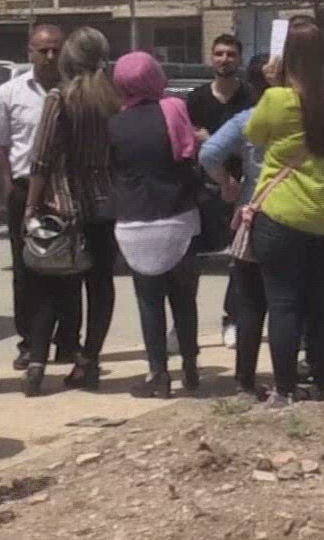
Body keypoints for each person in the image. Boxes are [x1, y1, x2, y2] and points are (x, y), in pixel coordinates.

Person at [244, 18, 324, 405]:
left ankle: (284, 389)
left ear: (286, 58)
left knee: (284, 303)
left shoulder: (277, 100)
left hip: (281, 216)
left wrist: (271, 85)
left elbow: (253, 135)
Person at [25, 26, 120, 391]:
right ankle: (89, 361)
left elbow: (41, 158)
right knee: (100, 285)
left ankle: (36, 362)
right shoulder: (112, 98)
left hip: (63, 203)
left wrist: (30, 206)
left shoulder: (59, 98)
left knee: (50, 283)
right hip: (105, 201)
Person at [108, 52, 202, 399]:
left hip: (135, 222)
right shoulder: (174, 109)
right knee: (184, 299)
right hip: (178, 216)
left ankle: (158, 374)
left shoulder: (114, 125)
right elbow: (190, 155)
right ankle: (190, 368)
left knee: (149, 302)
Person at [0, 23, 79, 370]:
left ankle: (68, 342)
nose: (50, 56)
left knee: (69, 267)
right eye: (43, 50)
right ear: (30, 52)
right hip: (24, 189)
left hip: (66, 192)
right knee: (26, 269)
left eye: (56, 49)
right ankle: (28, 343)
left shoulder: (75, 90)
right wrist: (7, 189)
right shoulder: (9, 93)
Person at [201, 54, 273, 396]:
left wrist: (227, 183)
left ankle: (245, 378)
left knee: (250, 302)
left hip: (253, 213)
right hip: (299, 211)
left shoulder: (248, 119)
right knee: (289, 301)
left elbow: (209, 153)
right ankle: (290, 375)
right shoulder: (304, 118)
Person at [187, 33, 256, 341]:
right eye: (219, 53)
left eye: (230, 54)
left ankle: (233, 319)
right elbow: (187, 139)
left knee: (239, 259)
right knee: (190, 260)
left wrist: (213, 139)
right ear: (211, 57)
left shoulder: (251, 98)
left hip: (242, 188)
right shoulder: (196, 98)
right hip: (203, 187)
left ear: (239, 59)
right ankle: (183, 325)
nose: (224, 59)